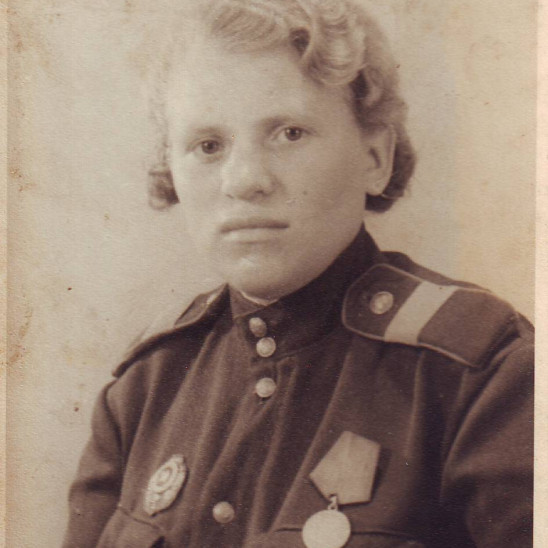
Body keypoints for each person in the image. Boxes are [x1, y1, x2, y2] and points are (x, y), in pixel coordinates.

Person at [63, 1, 533, 547]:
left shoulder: (482, 372)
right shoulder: (143, 390)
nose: (244, 180)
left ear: (375, 158)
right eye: (208, 146)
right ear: (171, 167)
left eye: (289, 133)